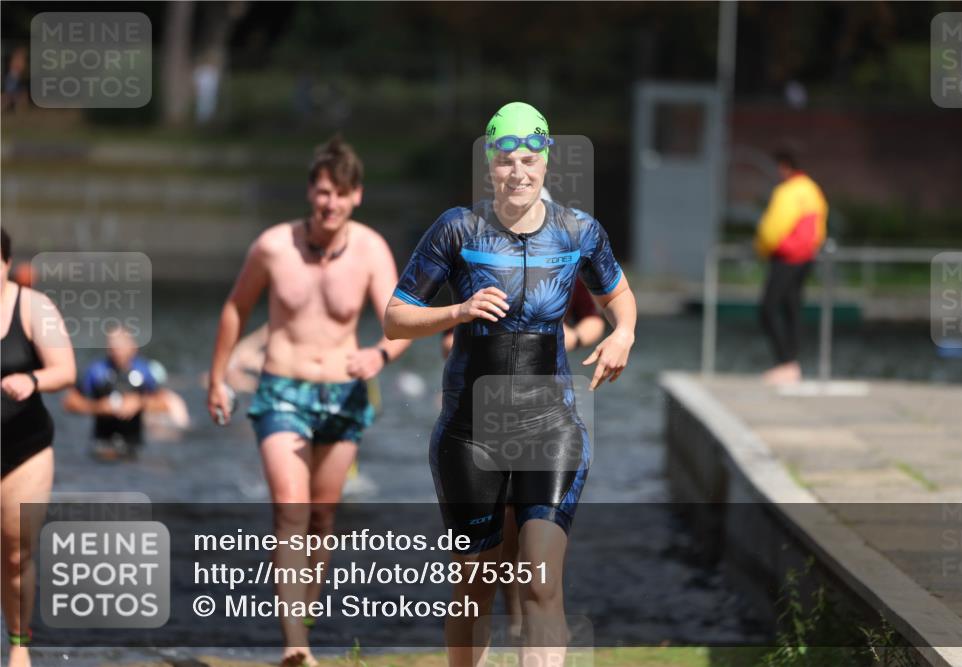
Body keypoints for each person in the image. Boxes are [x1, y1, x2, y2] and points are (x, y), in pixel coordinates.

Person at [384, 101, 636, 666]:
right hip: (470, 433)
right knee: (475, 586)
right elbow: (394, 318)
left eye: (529, 159)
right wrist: (459, 311)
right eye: (505, 161)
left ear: (547, 161)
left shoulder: (577, 231)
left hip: (551, 425)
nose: (518, 172)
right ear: (489, 166)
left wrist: (625, 334)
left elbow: (618, 295)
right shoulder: (458, 229)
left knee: (539, 580)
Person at [207, 136, 410, 667]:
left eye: (340, 194)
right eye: (322, 192)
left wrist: (380, 357)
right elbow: (236, 307)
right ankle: (294, 643)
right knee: (290, 511)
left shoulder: (370, 250)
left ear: (356, 197)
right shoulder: (274, 246)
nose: (330, 204)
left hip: (344, 394)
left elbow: (403, 319)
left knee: (322, 516)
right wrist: (216, 378)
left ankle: (305, 623)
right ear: (310, 193)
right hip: (282, 390)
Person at [440, 276, 605, 641]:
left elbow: (593, 319)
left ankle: (525, 621)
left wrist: (570, 337)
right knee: (497, 535)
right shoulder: (481, 268)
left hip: (545, 412)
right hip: (482, 410)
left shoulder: (561, 267)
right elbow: (449, 339)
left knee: (530, 529)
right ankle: (514, 618)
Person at [1, 229, 76, 667]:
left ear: (6, 262)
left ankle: (18, 644)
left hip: (23, 449)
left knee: (15, 554)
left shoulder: (33, 307)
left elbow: (65, 369)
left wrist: (31, 381)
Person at [754, 149, 828, 385]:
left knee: (768, 308)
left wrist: (762, 248)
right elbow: (821, 223)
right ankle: (791, 363)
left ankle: (785, 363)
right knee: (792, 308)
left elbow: (773, 227)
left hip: (786, 257)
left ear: (785, 166)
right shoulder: (812, 189)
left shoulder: (786, 191)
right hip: (806, 257)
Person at [63, 327, 190, 459]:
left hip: (135, 446)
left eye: (121, 345)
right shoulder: (96, 371)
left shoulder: (144, 371)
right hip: (102, 444)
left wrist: (140, 403)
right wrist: (98, 407)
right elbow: (69, 402)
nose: (117, 351)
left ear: (133, 347)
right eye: (113, 346)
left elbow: (165, 403)